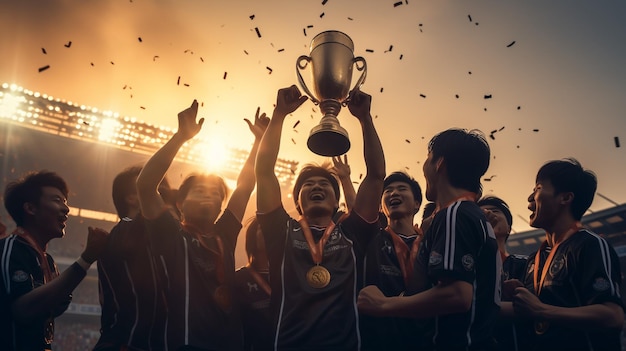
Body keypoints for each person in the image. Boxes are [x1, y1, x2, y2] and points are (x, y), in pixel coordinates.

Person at [255, 85, 385, 350]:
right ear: (298, 202)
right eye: (308, 184)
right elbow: (264, 172)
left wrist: (365, 119)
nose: (316, 186)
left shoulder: (352, 232)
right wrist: (279, 115)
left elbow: (375, 176)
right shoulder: (280, 230)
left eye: (325, 184)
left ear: (337, 201)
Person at [136, 102, 268, 350]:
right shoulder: (170, 234)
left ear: (221, 205)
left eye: (215, 192)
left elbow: (245, 186)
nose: (208, 195)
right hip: (183, 344)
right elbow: (145, 185)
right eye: (198, 191)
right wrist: (180, 137)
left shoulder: (224, 235)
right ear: (180, 203)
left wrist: (258, 142)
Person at [358, 128, 501, 351]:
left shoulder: (455, 215)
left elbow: (457, 295)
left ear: (439, 164)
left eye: (427, 159)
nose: (424, 167)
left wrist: (385, 304)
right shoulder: (472, 216)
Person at [506, 158, 624, 351]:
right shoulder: (534, 260)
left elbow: (613, 316)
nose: (529, 198)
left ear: (565, 198)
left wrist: (541, 310)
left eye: (537, 189)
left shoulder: (589, 245)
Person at [0, 170, 108, 351]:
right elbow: (23, 310)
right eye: (57, 201)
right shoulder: (10, 250)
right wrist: (86, 259)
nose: (66, 209)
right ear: (31, 208)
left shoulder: (48, 261)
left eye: (65, 202)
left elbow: (53, 309)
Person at [94, 165, 174, 351]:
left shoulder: (153, 234)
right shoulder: (125, 229)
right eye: (156, 188)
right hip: (128, 343)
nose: (163, 195)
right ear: (132, 198)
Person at [360, 171, 433, 351]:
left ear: (417, 204)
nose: (394, 193)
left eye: (401, 189)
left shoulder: (431, 244)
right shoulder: (370, 239)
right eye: (388, 191)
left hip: (428, 341)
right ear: (380, 207)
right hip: (380, 341)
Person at [478, 195, 527, 351]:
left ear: (509, 228)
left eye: (495, 211)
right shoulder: (465, 266)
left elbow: (534, 309)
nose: (488, 214)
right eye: (481, 213)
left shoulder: (526, 264)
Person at [233, 217, 272, 351]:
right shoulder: (239, 279)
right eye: (263, 228)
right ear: (252, 237)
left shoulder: (291, 275)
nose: (270, 231)